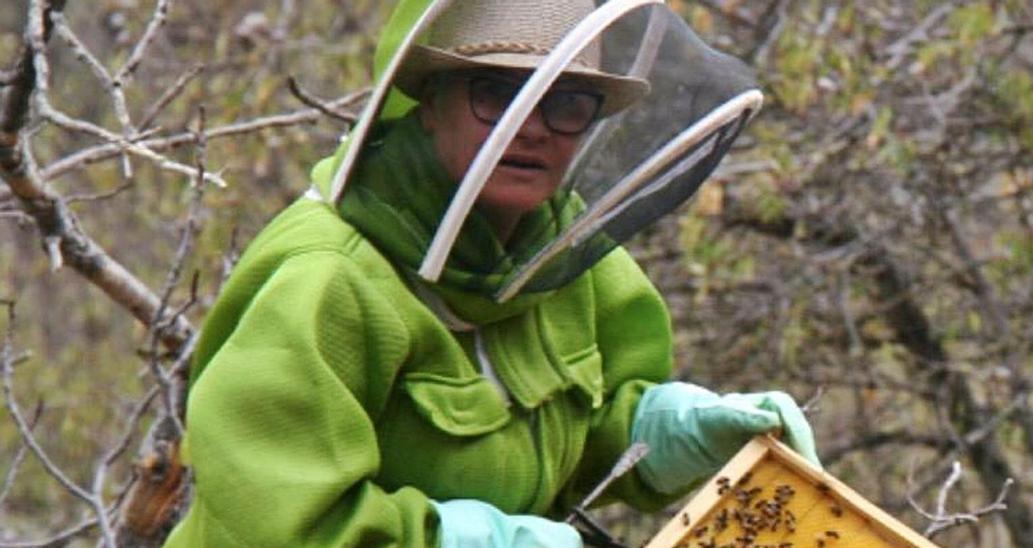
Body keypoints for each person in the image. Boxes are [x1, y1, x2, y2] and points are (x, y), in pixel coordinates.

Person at [164, 1, 820, 546]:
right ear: (428, 102)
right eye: (497, 94)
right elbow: (281, 523)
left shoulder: (569, 267)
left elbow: (585, 431)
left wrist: (675, 429)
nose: (529, 128)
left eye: (567, 102)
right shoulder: (325, 279)